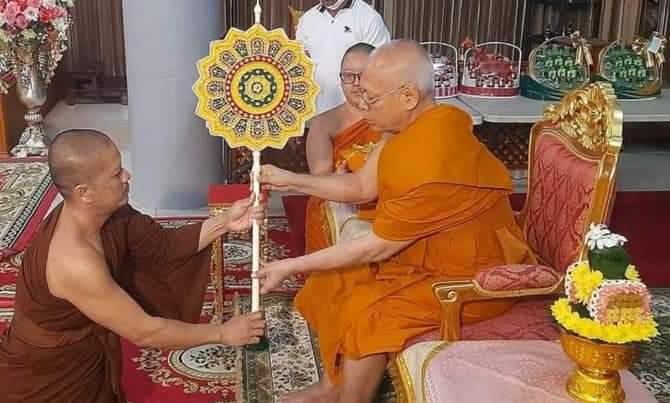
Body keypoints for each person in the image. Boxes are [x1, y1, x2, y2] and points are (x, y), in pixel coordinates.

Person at [258, 40, 536, 403]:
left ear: (408, 96)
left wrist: (288, 265)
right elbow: (361, 186)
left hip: (471, 276)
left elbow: (377, 246)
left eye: (371, 98)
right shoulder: (404, 128)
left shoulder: (433, 151)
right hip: (425, 254)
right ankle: (332, 387)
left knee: (369, 317)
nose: (362, 104)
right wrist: (291, 179)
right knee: (335, 280)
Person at [0, 129, 266, 402]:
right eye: (116, 174)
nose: (127, 176)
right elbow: (145, 332)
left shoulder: (110, 212)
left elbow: (163, 246)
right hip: (47, 374)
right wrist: (223, 333)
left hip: (87, 357)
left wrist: (225, 221)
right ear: (85, 193)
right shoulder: (74, 262)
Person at [297, 0, 390, 114]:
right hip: (314, 112)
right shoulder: (307, 20)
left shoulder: (369, 18)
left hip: (357, 114)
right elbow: (299, 67)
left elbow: (381, 67)